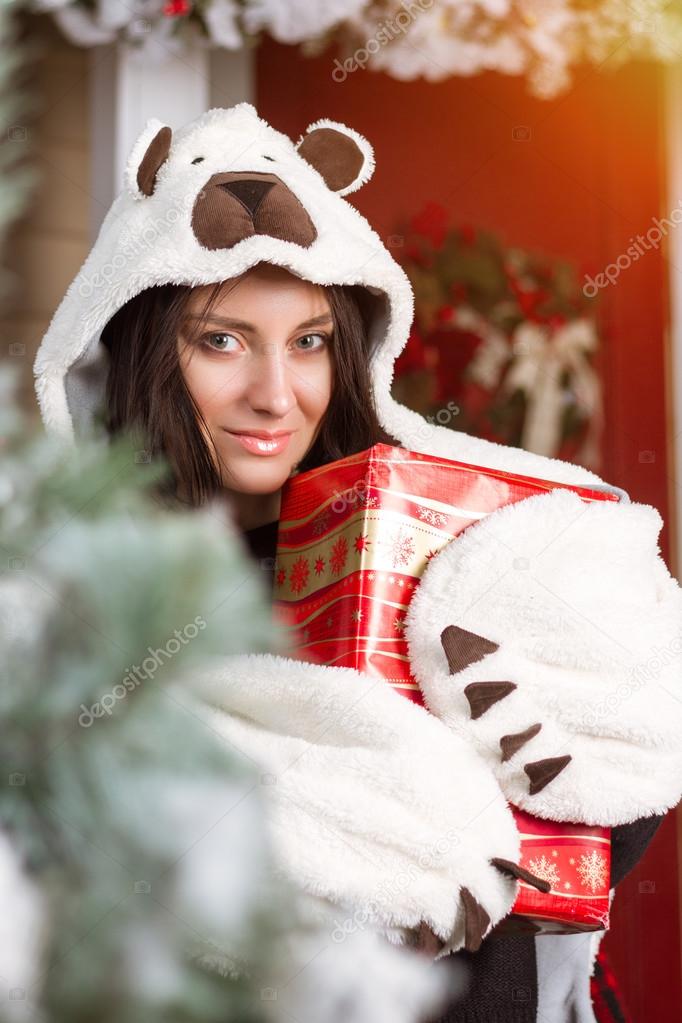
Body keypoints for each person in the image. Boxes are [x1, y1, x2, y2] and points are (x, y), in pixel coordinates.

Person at [32, 102, 682, 1022]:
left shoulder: (449, 535)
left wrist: (541, 779)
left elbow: (618, 781)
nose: (274, 394)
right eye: (220, 339)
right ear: (139, 345)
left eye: (310, 342)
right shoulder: (79, 602)